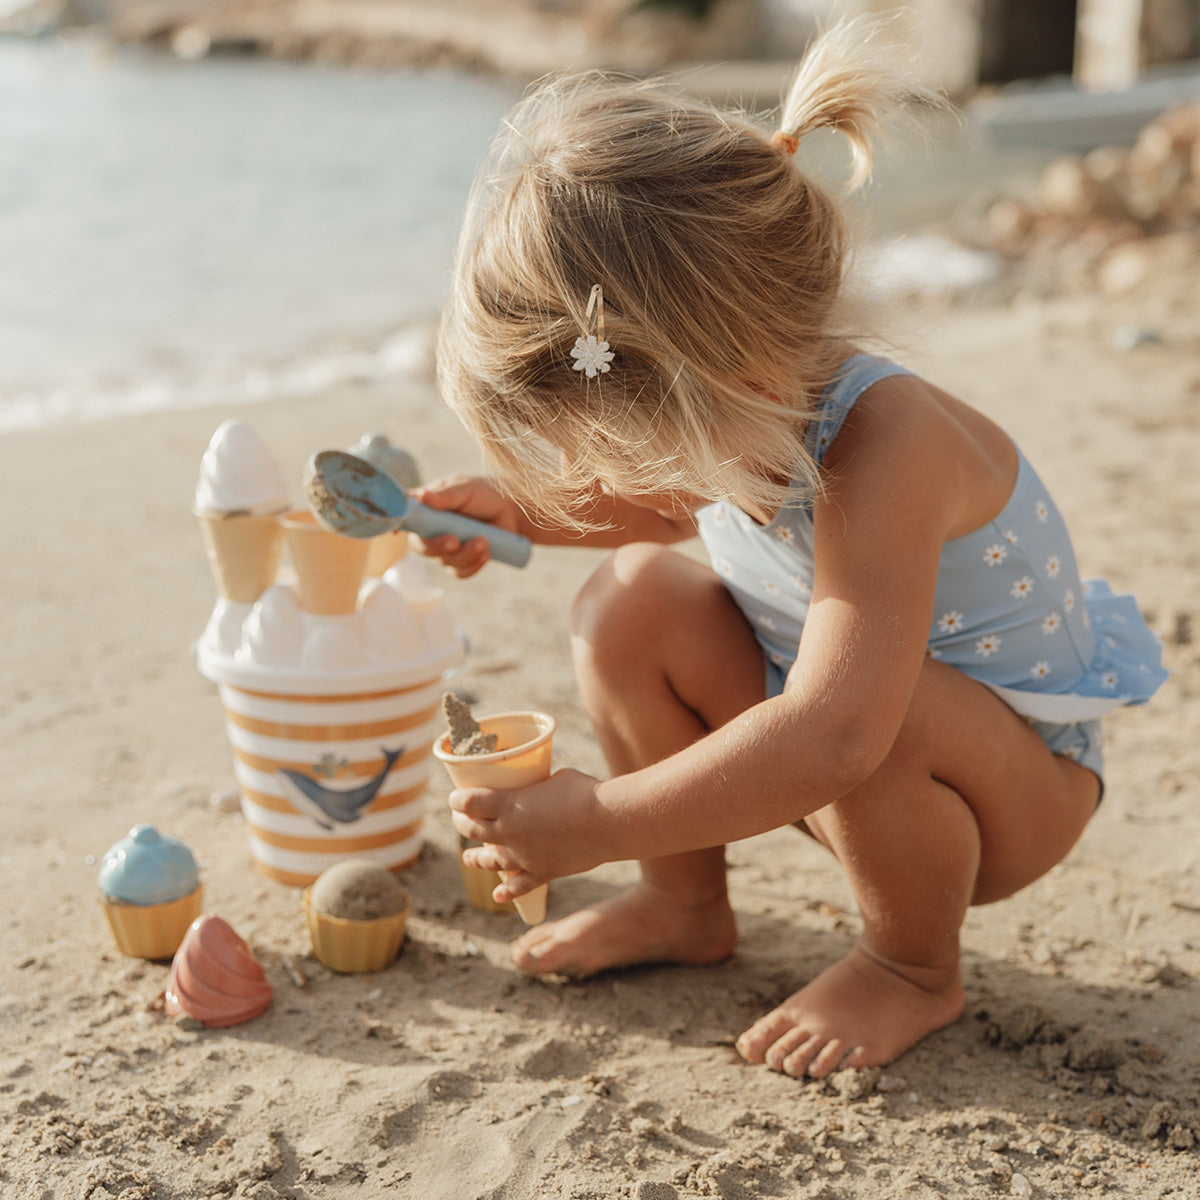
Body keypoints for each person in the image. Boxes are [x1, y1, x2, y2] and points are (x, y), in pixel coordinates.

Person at [413, 19, 1168, 1079]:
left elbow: (836, 736)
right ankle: (683, 902)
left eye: (626, 456)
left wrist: (595, 821)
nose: (610, 487)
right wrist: (516, 511)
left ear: (743, 391)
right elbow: (671, 512)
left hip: (1005, 794)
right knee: (627, 602)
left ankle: (911, 966)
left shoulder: (889, 445)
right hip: (834, 738)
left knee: (871, 709)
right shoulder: (750, 414)